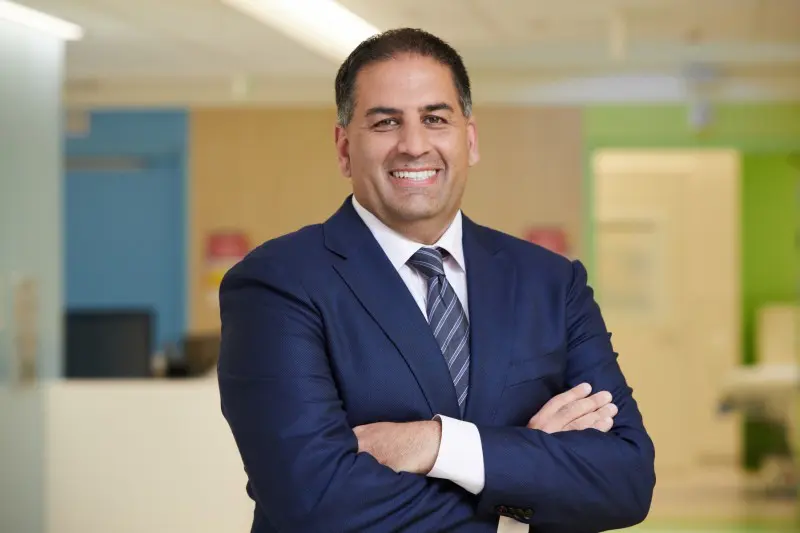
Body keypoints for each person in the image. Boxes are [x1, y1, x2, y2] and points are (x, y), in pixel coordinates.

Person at [217, 27, 655, 533]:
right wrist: (520, 478)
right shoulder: (277, 284)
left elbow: (626, 480)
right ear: (343, 148)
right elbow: (315, 503)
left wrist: (436, 445)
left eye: (435, 118)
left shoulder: (552, 284)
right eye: (385, 123)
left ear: (468, 140)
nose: (413, 145)